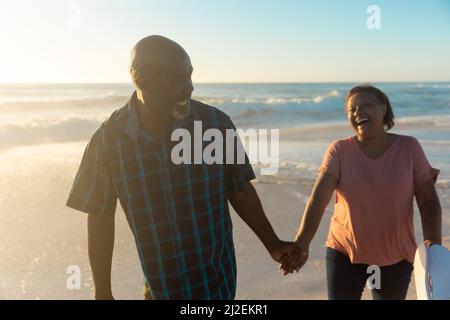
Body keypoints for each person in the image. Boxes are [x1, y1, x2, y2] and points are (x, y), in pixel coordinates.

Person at [66, 35, 299, 300]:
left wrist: (273, 244)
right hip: (160, 287)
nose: (190, 87)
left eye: (190, 75)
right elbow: (100, 216)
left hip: (218, 283)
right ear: (142, 80)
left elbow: (239, 189)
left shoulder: (214, 125)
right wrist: (103, 292)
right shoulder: (108, 141)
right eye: (178, 79)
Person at [280, 85, 442, 300]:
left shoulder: (409, 148)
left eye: (366, 105)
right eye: (352, 109)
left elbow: (428, 201)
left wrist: (435, 250)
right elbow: (319, 199)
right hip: (344, 251)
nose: (358, 113)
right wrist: (302, 243)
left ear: (383, 108)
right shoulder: (339, 151)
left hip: (395, 257)